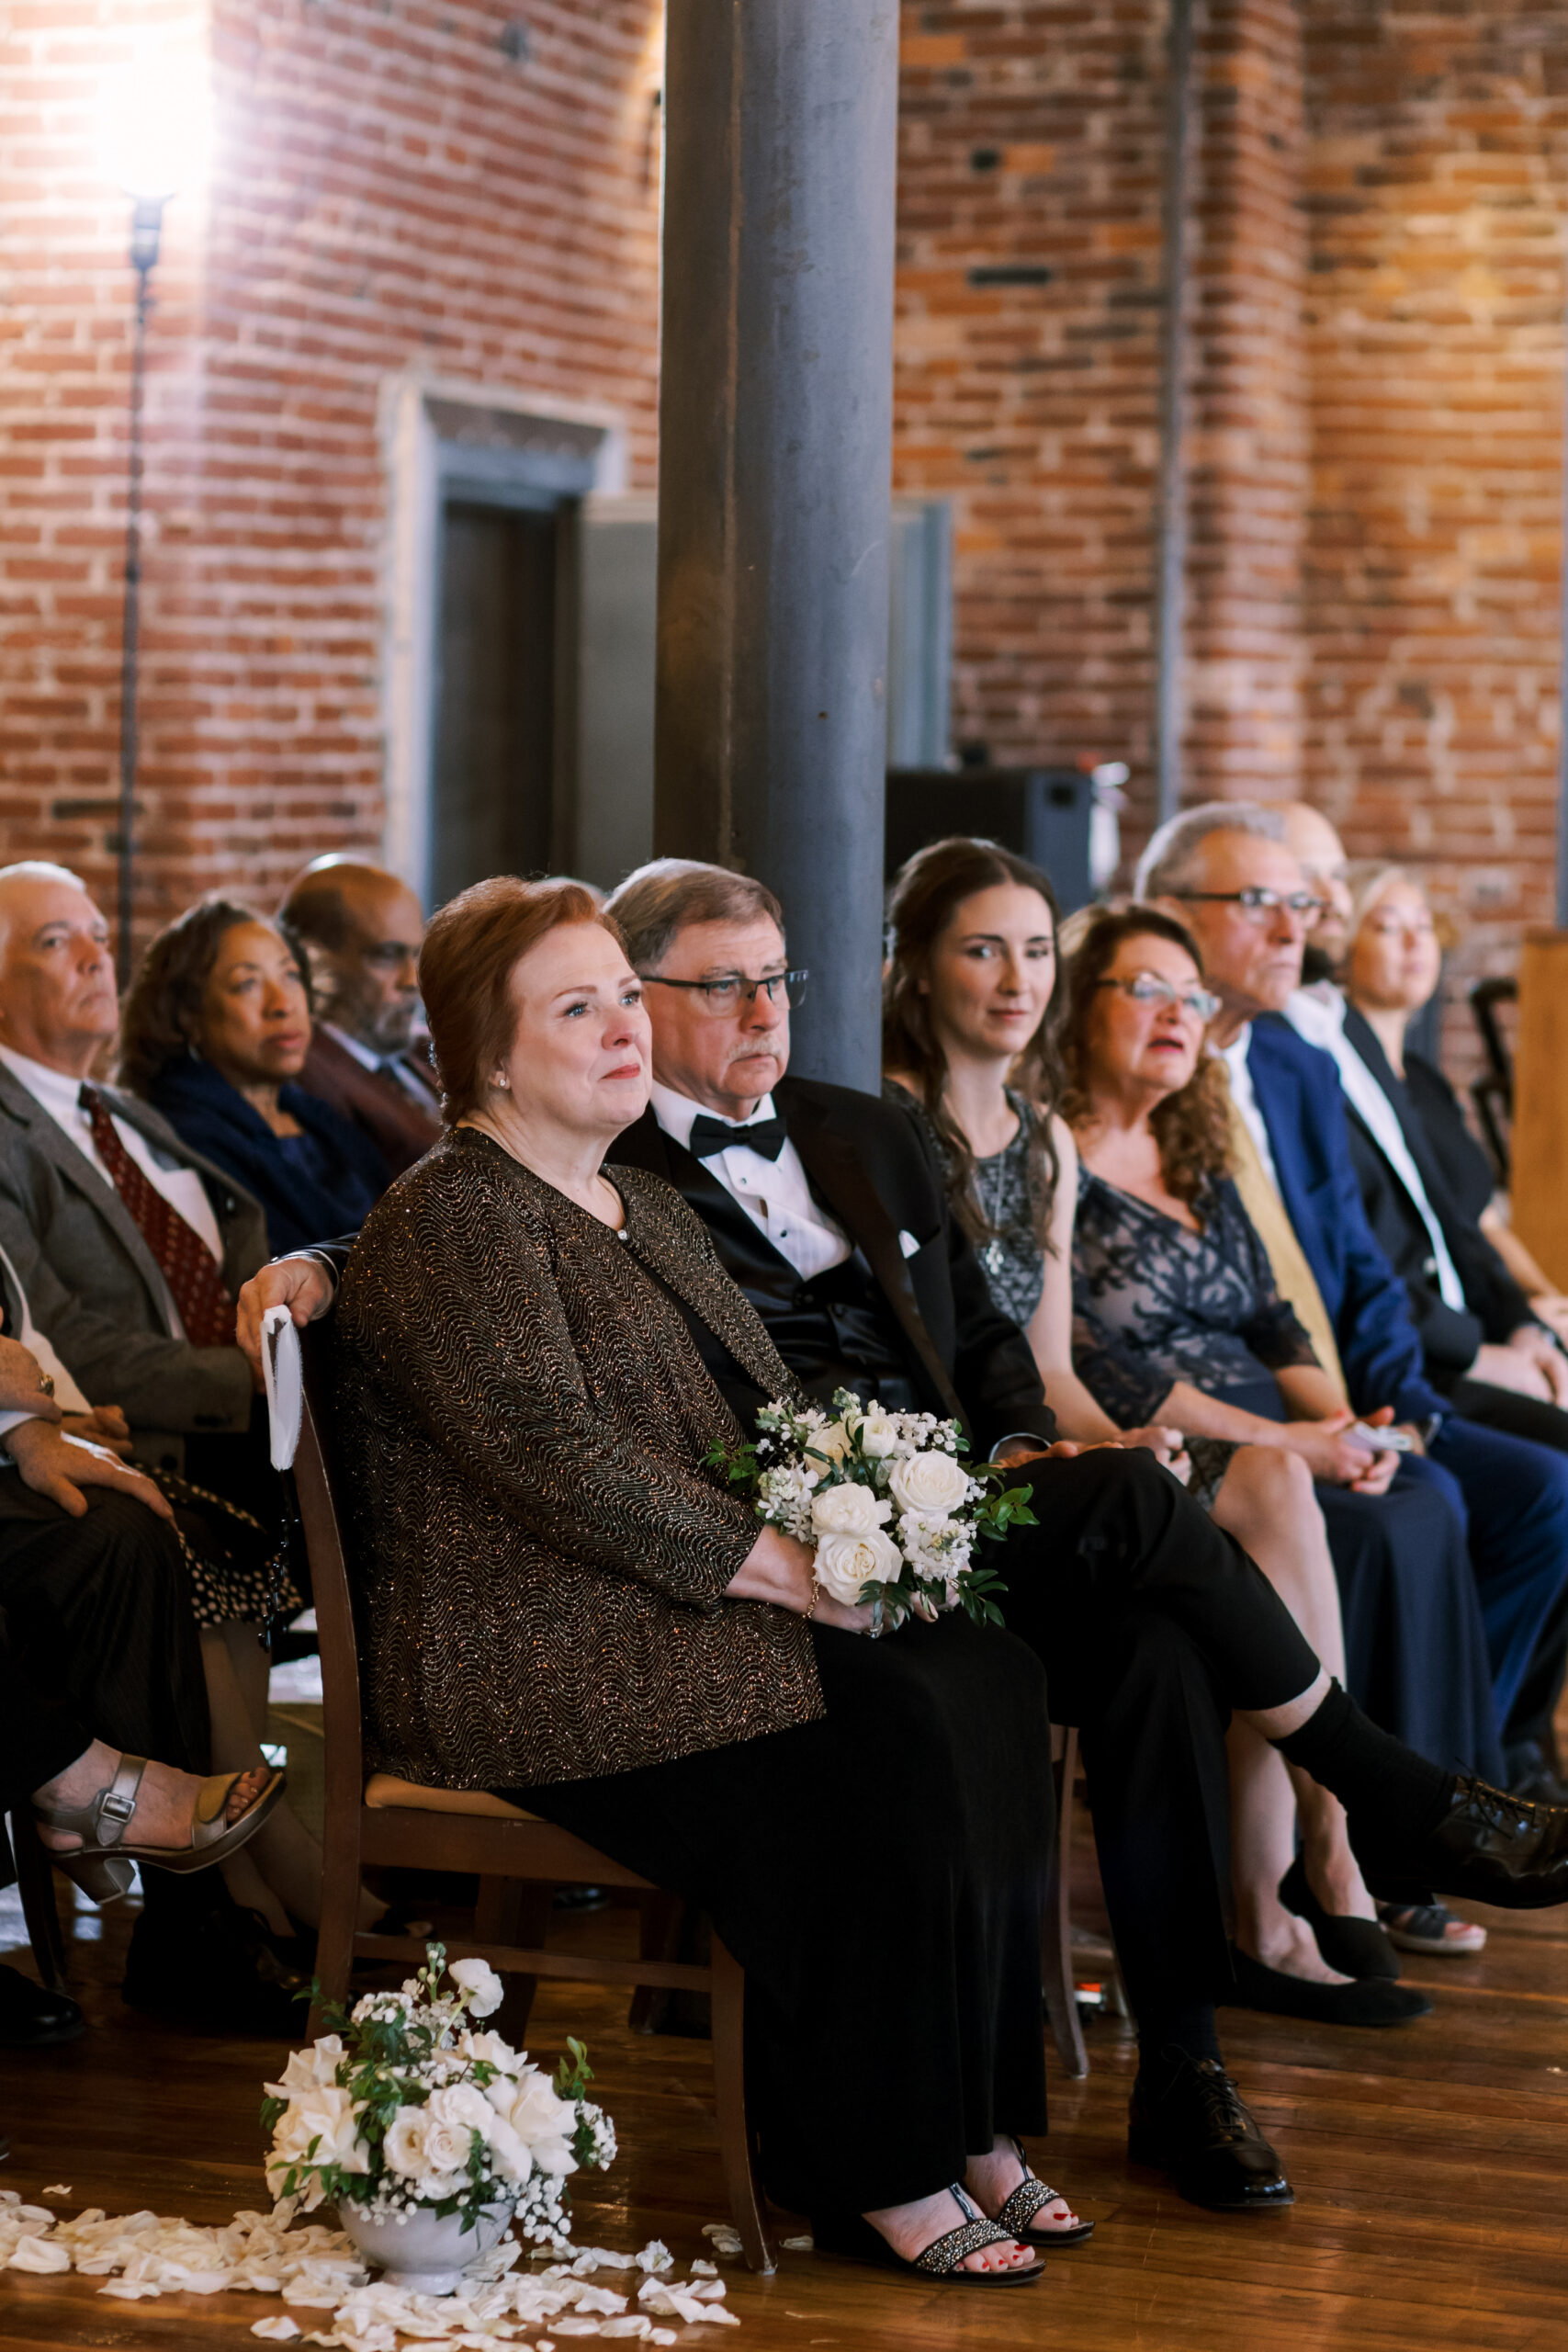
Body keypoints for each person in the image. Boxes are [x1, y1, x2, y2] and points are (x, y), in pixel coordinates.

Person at [243, 861, 1568, 2218]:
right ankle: (1380, 1800)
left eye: (756, 981)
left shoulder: (823, 1141)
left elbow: (974, 1347)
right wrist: (320, 1263)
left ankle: (1152, 2073)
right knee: (1090, 1550)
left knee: (1139, 1634)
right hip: (680, 1592)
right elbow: (485, 1312)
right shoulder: (564, 1171)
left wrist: (990, 1462)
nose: (733, 1014)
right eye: (616, 1002)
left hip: (880, 1513)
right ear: (493, 1050)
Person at [878, 842, 1465, 2019]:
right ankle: (1325, 1842)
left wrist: (1115, 1445)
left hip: (1050, 1448)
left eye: (1033, 949)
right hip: (939, 1478)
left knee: (1279, 1495)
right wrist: (1114, 1446)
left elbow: (1047, 1371)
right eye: (981, 948)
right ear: (914, 967)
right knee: (1250, 1515)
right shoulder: (890, 1122)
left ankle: (1304, 1864)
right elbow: (981, 1366)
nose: (1013, 978)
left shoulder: (1035, 1138)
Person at [1058, 901, 1501, 2011]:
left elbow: (1276, 1322)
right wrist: (1293, 1441)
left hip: (1269, 1433)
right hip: (1160, 1437)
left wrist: (1341, 1422)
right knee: (1294, 1505)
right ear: (1082, 1006)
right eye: (1147, 990)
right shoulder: (1049, 1150)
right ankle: (1326, 1850)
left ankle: (1316, 1873)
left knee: (1406, 1492)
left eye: (1191, 997)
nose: (1179, 1015)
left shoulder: (1197, 1134)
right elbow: (1089, 1362)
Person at [1137, 806, 1568, 1823]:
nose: (1297, 928)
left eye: (1302, 903)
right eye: (1262, 903)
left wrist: (1407, 1404)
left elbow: (1367, 1266)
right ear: (1165, 914)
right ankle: (1406, 1819)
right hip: (1228, 1400)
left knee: (1518, 1491)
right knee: (1430, 1506)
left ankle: (1457, 1789)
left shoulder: (1295, 1063)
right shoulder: (1157, 1064)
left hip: (1349, 1378)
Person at [0, 862, 266, 1502]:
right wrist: (252, 1377)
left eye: (100, 935)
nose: (98, 958)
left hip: (269, 1421)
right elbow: (51, 1334)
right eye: (57, 941)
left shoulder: (132, 1114)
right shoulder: (6, 1133)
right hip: (158, 1450)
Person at [119, 898, 387, 1257]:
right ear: (189, 1016)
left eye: (290, 976)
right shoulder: (183, 1136)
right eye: (247, 984)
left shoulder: (316, 1114)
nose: (282, 1004)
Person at [278, 857, 441, 1180]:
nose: (411, 981)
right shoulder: (308, 1076)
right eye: (386, 956)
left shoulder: (427, 1050)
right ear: (312, 960)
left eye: (414, 954)